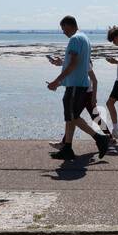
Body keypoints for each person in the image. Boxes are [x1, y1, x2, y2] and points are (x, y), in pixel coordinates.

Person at [46, 15, 112, 159]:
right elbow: (78, 62)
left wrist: (56, 81)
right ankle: (67, 149)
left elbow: (74, 63)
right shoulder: (84, 38)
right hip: (78, 84)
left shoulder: (75, 39)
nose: (63, 32)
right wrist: (61, 63)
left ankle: (100, 138)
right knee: (70, 118)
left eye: (63, 29)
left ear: (69, 25)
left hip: (76, 85)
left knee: (73, 117)